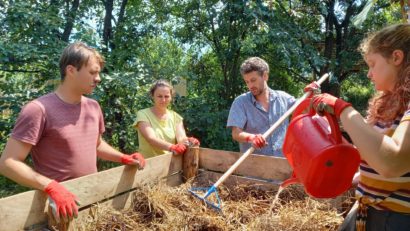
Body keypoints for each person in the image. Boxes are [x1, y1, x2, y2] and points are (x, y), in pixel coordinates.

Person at [0, 42, 146, 223]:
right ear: (71, 70)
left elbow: (97, 144)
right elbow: (8, 163)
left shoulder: (93, 107)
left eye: (98, 72)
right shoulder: (38, 110)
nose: (98, 78)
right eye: (93, 72)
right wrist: (51, 187)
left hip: (92, 201)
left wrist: (123, 158)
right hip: (57, 211)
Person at [310, 24, 410, 231]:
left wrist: (343, 110)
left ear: (396, 58)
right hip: (367, 210)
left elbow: (391, 162)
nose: (369, 74)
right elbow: (373, 151)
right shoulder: (387, 103)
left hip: (397, 219)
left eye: (372, 64)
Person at [227, 57, 296, 157]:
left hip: (282, 165)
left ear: (265, 76)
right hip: (254, 168)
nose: (250, 86)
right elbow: (236, 133)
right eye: (247, 82)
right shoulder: (240, 102)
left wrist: (311, 94)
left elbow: (305, 108)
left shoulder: (284, 98)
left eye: (253, 80)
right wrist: (251, 137)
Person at [134, 79, 199, 158]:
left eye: (167, 96)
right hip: (148, 165)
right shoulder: (143, 114)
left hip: (170, 164)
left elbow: (181, 138)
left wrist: (188, 141)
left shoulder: (176, 117)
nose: (163, 100)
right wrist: (172, 147)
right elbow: (151, 138)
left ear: (171, 97)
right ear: (152, 96)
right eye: (159, 96)